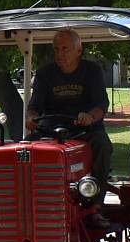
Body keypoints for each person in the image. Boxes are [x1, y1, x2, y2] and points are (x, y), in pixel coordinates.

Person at [26, 30, 112, 227]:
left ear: (78, 50)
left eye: (65, 49)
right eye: (56, 49)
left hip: (84, 130)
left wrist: (90, 116)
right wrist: (31, 118)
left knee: (102, 145)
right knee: (25, 147)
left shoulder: (91, 71)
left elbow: (101, 104)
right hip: (51, 129)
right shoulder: (45, 73)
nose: (60, 54)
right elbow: (34, 106)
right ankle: (30, 204)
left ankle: (95, 206)